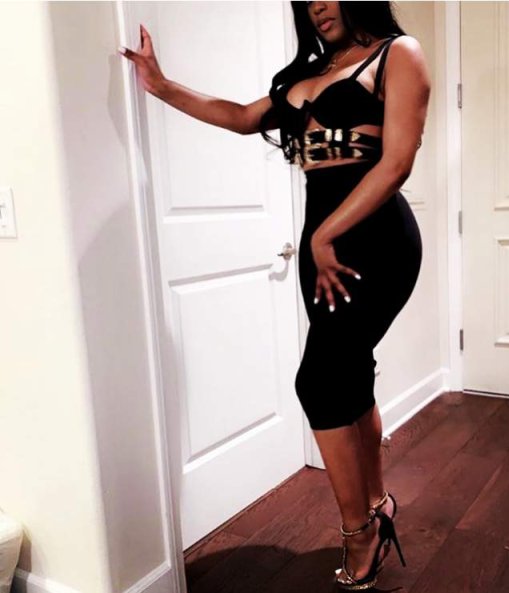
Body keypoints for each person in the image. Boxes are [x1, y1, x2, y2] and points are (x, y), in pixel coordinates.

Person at [119, 1, 430, 589]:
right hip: (323, 248)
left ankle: (359, 532)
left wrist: (326, 234)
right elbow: (240, 116)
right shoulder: (306, 74)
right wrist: (161, 86)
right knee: (348, 374)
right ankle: (377, 502)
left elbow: (396, 164)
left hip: (375, 242)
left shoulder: (397, 55)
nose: (317, 6)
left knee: (319, 381)